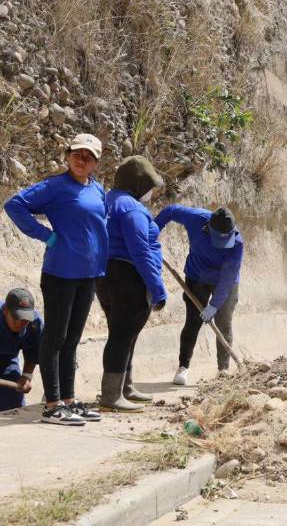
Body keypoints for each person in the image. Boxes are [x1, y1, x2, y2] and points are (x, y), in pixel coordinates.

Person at [4, 133, 106, 425]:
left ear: (96, 163)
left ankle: (69, 401)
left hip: (88, 275)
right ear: (68, 155)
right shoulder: (55, 187)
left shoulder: (97, 190)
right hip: (60, 273)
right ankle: (51, 406)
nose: (81, 159)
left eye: (89, 156)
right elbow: (15, 205)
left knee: (72, 339)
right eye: (77, 153)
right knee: (55, 338)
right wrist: (46, 236)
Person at [96, 156, 167, 412]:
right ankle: (111, 395)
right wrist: (158, 289)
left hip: (105, 275)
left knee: (124, 334)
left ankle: (125, 387)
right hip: (128, 277)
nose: (151, 192)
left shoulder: (108, 200)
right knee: (122, 335)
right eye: (149, 185)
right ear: (138, 183)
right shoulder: (132, 209)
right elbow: (140, 251)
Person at [155, 206, 243, 385]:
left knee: (223, 322)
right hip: (197, 277)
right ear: (208, 227)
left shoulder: (237, 243)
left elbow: (228, 279)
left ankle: (223, 370)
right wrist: (152, 232)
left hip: (225, 282)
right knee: (193, 321)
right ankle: (183, 367)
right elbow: (170, 211)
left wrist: (214, 305)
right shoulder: (196, 219)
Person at [0, 289, 44, 412]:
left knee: (13, 405)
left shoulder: (35, 323)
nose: (20, 323)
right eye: (16, 318)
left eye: (25, 319)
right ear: (5, 311)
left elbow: (33, 352)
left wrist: (26, 376)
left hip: (8, 359)